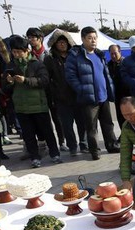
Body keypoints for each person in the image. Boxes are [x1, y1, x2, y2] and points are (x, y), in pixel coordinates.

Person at [4, 34, 61, 168]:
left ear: (26, 51)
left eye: (19, 51)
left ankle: (55, 153)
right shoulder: (10, 66)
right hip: (21, 107)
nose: (16, 54)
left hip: (39, 105)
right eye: (14, 51)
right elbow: (5, 88)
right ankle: (34, 157)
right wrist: (10, 83)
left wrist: (26, 80)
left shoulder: (36, 64)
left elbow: (44, 81)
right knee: (28, 135)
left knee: (47, 132)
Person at [65, 26, 119, 160]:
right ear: (82, 39)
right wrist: (82, 89)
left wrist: (109, 90)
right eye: (89, 38)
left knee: (108, 124)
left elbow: (105, 74)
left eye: (95, 38)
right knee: (92, 127)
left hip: (103, 96)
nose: (93, 41)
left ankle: (111, 145)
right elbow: (70, 76)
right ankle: (95, 151)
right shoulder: (75, 55)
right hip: (88, 98)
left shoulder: (99, 54)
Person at [45, 29, 86, 157]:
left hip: (77, 95)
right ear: (55, 44)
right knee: (67, 126)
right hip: (61, 98)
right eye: (59, 42)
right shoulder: (50, 59)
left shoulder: (75, 56)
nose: (62, 44)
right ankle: (72, 146)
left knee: (82, 123)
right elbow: (47, 79)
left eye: (64, 42)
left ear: (68, 43)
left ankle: (84, 144)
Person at [108, 44, 130, 130]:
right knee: (120, 116)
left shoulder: (125, 63)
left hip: (127, 94)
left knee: (129, 116)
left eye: (115, 53)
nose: (113, 55)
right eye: (111, 53)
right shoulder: (108, 65)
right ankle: (123, 134)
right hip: (116, 95)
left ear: (120, 52)